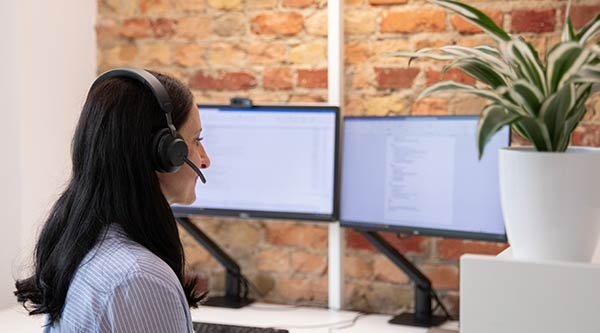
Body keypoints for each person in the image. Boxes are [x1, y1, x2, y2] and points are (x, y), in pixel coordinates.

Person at [14, 69, 211, 332]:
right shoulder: (141, 279)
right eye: (196, 141)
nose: (205, 160)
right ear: (165, 153)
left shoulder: (83, 245)